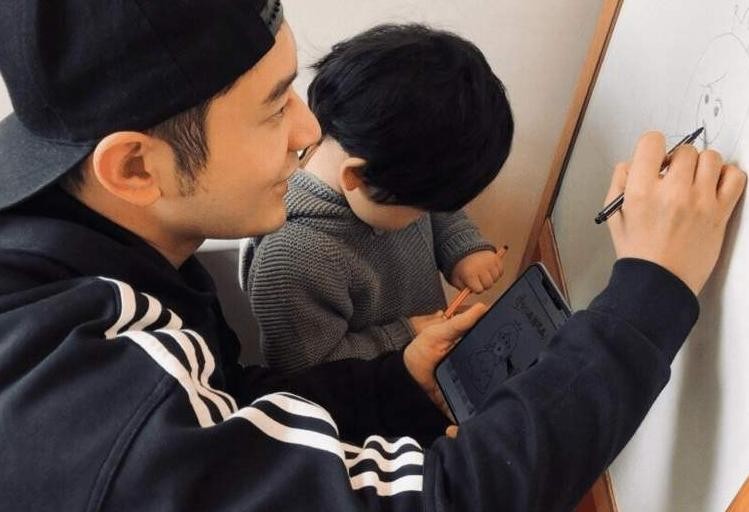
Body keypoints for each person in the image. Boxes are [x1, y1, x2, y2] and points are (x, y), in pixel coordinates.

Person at [0, 1, 744, 511]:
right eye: (274, 106)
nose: (308, 132)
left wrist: (397, 381)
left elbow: (234, 412)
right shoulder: (88, 407)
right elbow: (437, 500)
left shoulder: (113, 249)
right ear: (135, 167)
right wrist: (653, 288)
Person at [240, 24, 511, 373]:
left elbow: (437, 208)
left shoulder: (393, 171)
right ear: (356, 177)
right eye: (419, 209)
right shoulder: (293, 260)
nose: (425, 216)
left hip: (422, 361)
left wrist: (463, 249)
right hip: (365, 394)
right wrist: (407, 334)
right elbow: (306, 368)